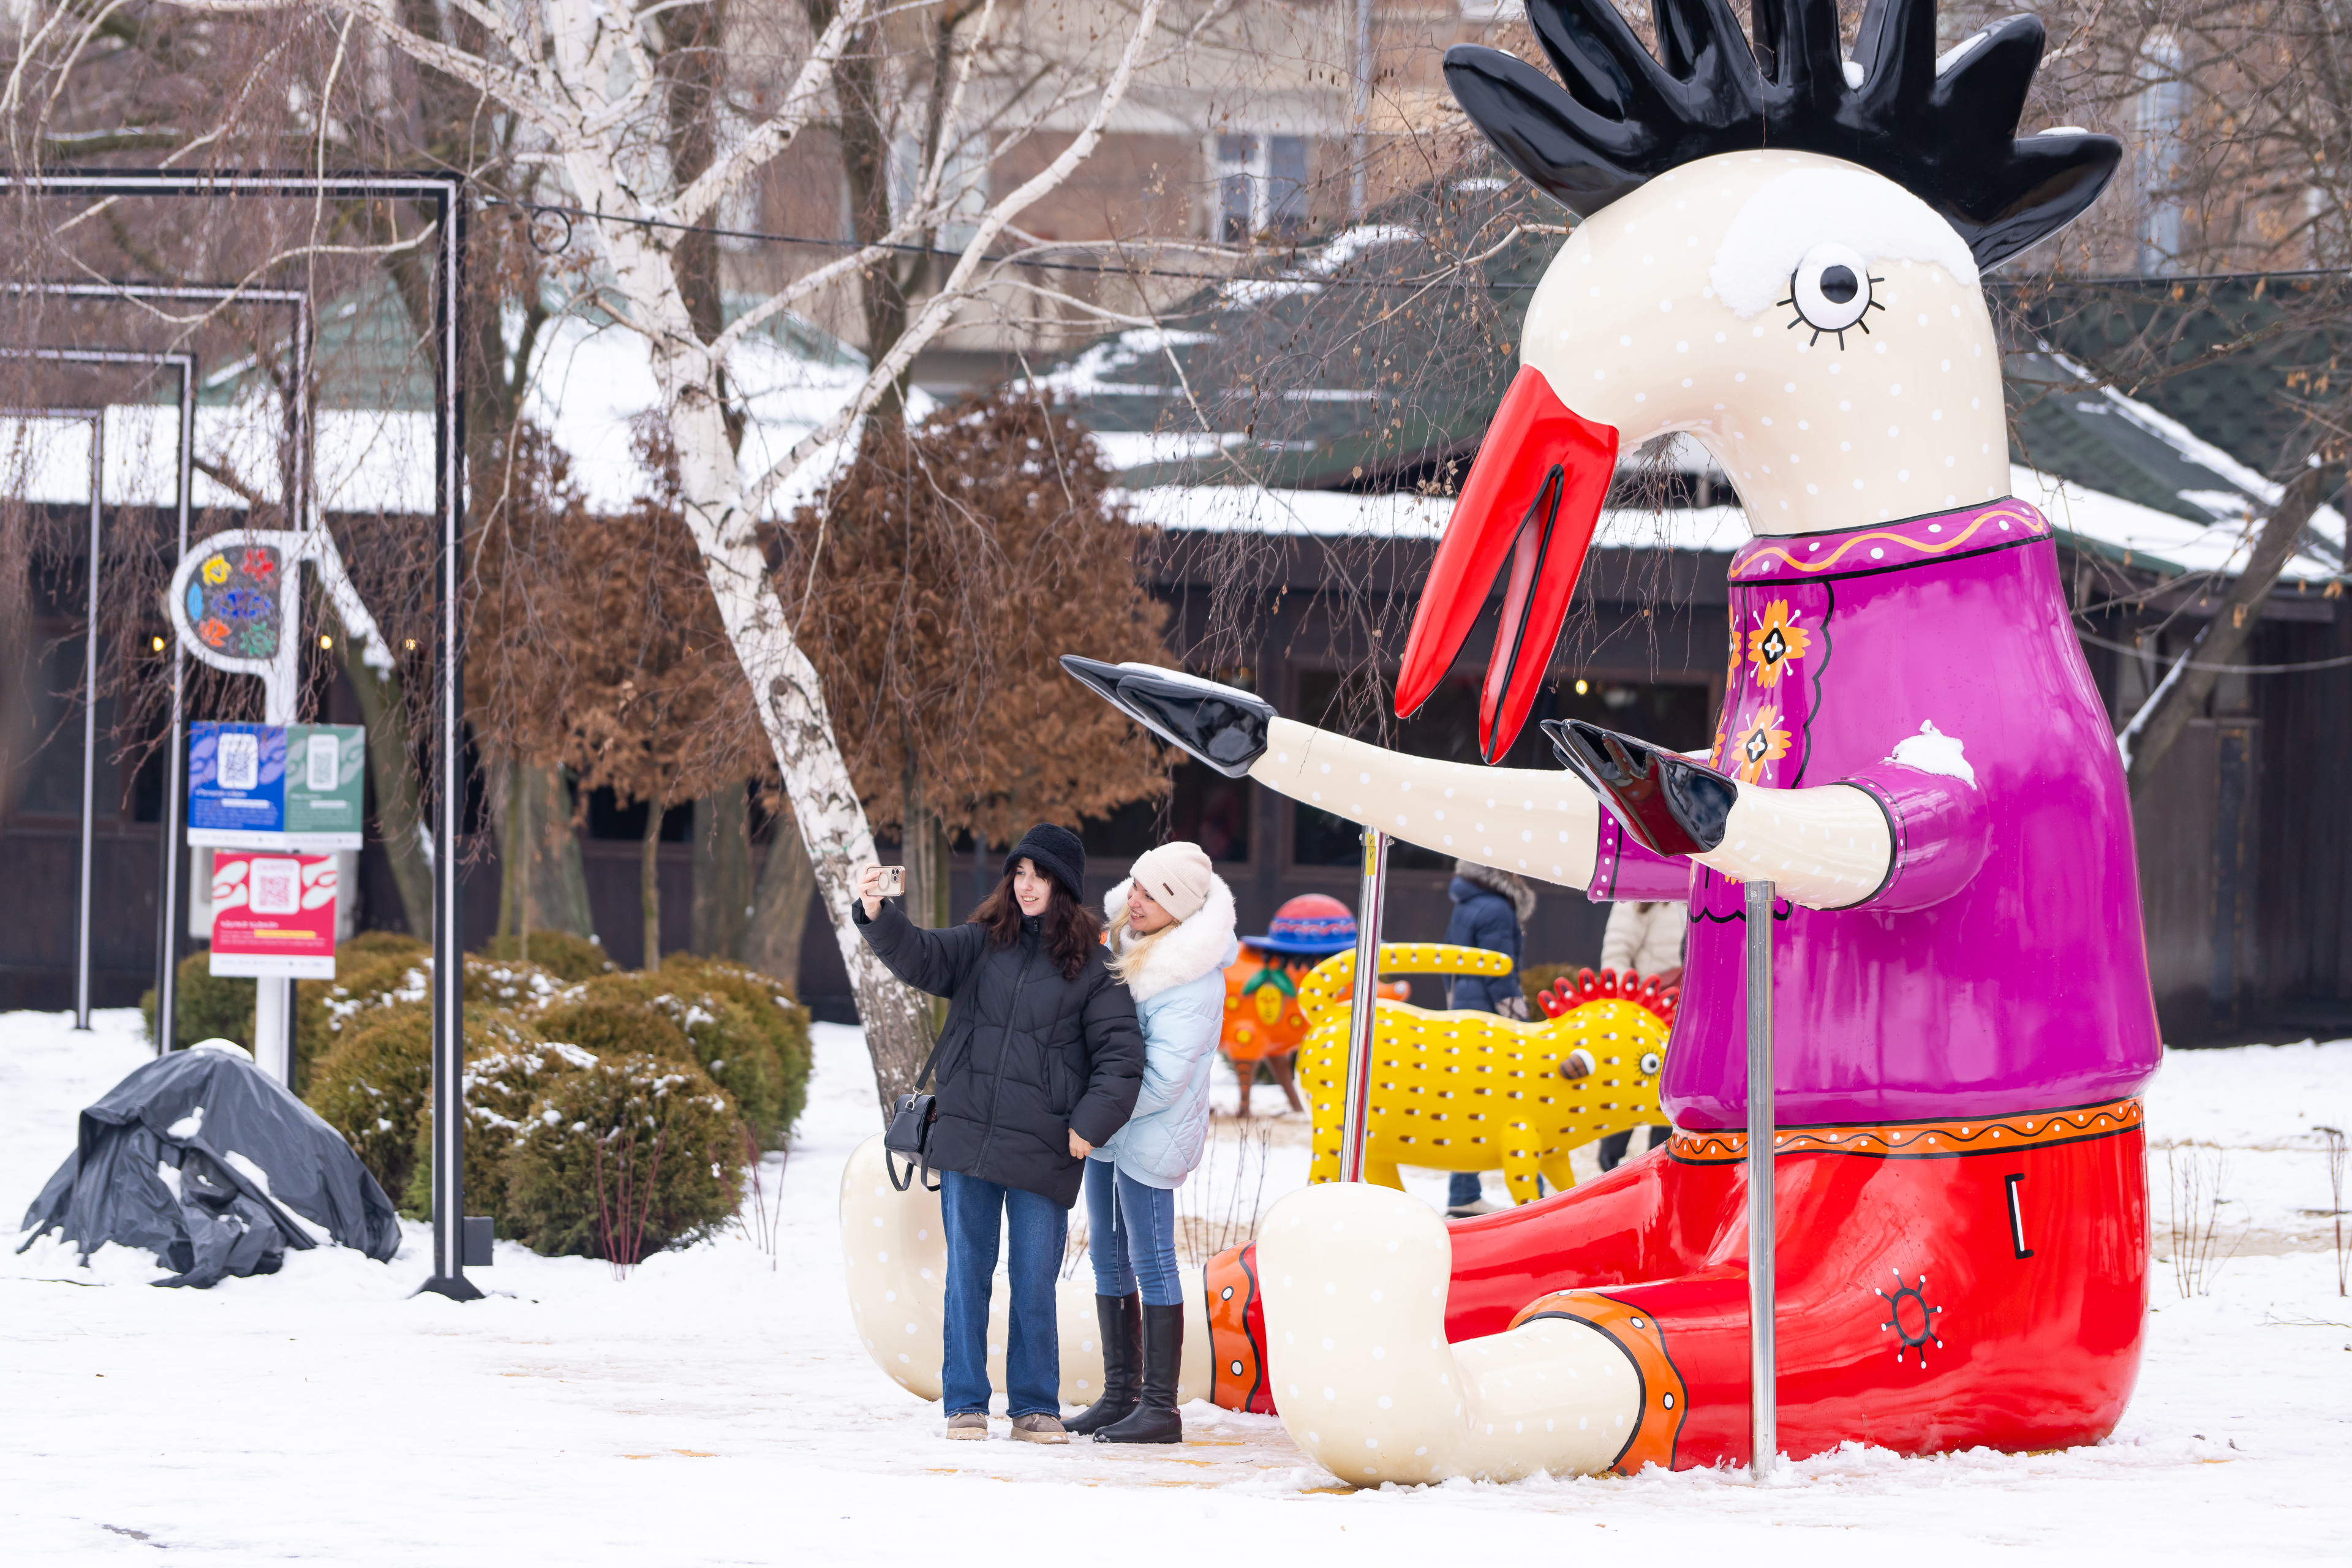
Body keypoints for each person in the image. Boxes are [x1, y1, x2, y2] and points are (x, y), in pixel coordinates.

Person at [854, 824, 1144, 1444]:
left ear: (1062, 885)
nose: (1027, 885)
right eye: (1019, 873)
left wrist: (1088, 1127)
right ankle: (964, 1402)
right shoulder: (983, 942)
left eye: (1039, 876)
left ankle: (1035, 1406)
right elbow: (921, 954)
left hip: (1045, 1147)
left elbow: (1121, 1058)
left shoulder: (1093, 967)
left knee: (1034, 1278)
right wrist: (877, 911)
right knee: (967, 1272)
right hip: (970, 1139)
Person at [1066, 842, 1238, 1443]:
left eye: (1153, 894)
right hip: (1112, 1128)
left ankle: (1160, 1406)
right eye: (1135, 886)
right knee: (1109, 1258)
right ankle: (1121, 1394)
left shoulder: (1192, 979)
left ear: (1182, 911)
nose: (1135, 900)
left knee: (1152, 1259)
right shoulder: (1127, 949)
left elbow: (1164, 1079)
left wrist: (1094, 1119)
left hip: (1150, 1133)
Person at [1441, 859, 1536, 1218]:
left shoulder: (1465, 905)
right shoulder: (1497, 908)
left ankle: (1463, 1193)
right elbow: (1501, 970)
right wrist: (1518, 1019)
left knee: (1470, 1103)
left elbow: (1450, 963)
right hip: (1491, 1018)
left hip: (1465, 1012)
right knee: (1522, 1101)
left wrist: (1456, 1006)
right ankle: (1535, 1197)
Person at [1594, 898, 1686, 1172]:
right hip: (1645, 1009)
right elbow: (1615, 957)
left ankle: (1659, 1162)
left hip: (1679, 1007)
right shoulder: (1637, 898)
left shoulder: (1690, 897)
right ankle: (1610, 1162)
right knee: (1633, 1085)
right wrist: (1635, 1003)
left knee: (1667, 1087)